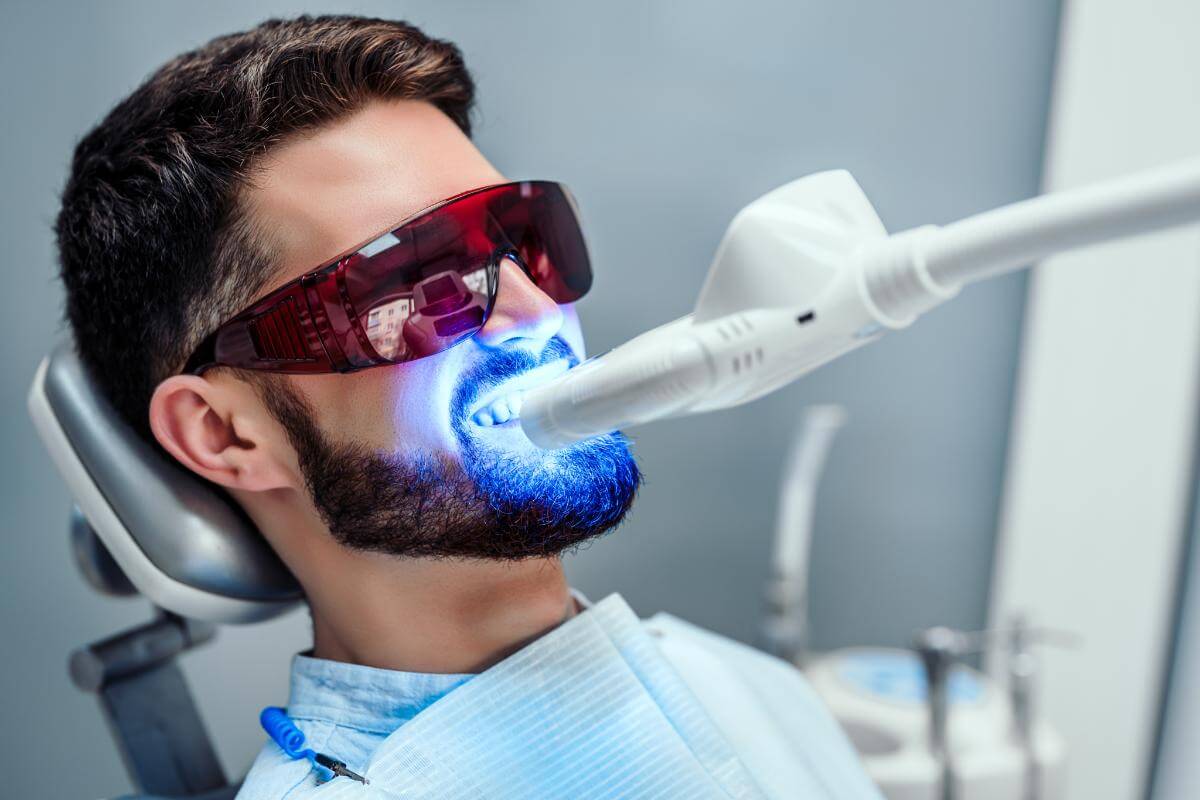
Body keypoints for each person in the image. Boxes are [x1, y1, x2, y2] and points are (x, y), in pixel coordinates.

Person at [55, 15, 880, 799]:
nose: (530, 313)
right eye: (411, 282)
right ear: (227, 433)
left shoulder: (743, 684)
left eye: (522, 240)